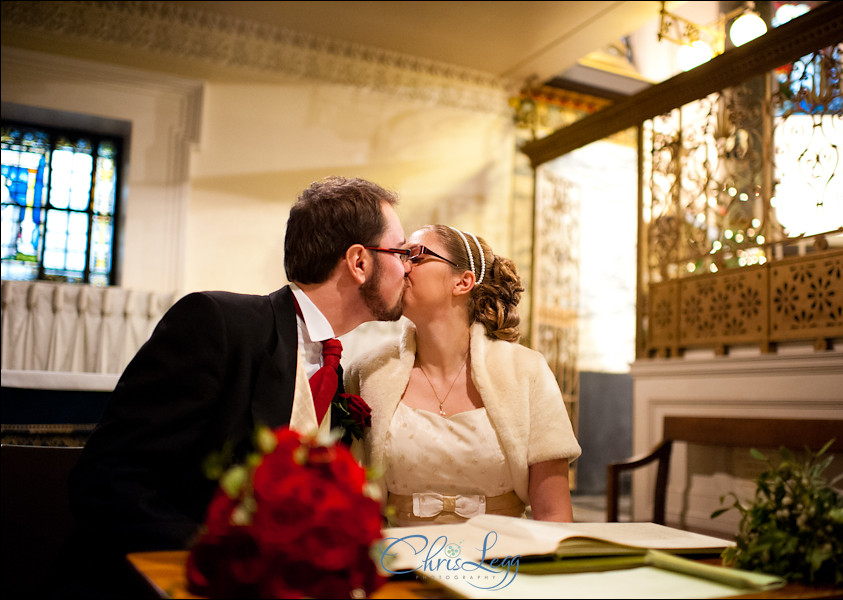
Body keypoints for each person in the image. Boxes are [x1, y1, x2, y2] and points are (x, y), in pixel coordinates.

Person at [58, 176, 411, 597]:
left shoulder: (335, 368)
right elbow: (108, 481)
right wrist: (233, 561)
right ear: (359, 262)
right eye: (401, 251)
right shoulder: (218, 324)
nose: (408, 265)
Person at [345, 224, 581, 526]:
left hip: (502, 561)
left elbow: (554, 515)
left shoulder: (527, 372)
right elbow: (357, 509)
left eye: (415, 255)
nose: (400, 267)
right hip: (403, 562)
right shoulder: (368, 373)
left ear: (463, 281)